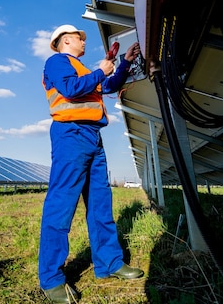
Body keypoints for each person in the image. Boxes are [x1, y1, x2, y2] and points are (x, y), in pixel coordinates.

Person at [39, 24, 144, 303]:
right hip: (70, 135)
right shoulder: (57, 62)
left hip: (93, 138)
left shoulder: (84, 69)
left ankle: (110, 263)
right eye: (79, 39)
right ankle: (51, 279)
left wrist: (124, 64)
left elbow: (107, 85)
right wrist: (100, 71)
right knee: (61, 206)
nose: (83, 43)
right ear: (65, 41)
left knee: (100, 203)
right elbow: (71, 90)